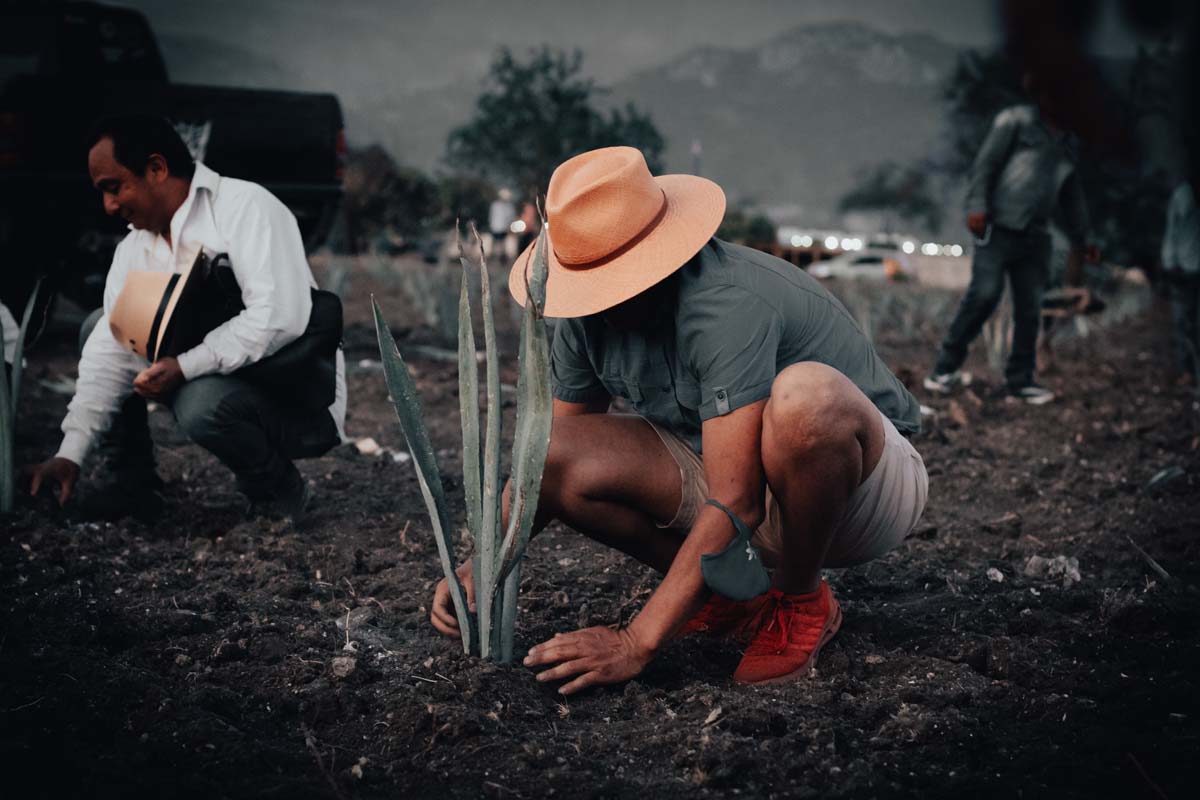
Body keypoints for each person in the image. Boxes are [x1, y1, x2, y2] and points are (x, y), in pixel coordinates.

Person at [430, 147, 928, 691]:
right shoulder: (582, 316)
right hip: (729, 479)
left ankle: (800, 599)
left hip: (860, 490)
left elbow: (737, 498)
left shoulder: (725, 301)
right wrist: (480, 568)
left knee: (803, 401)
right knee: (553, 448)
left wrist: (636, 641)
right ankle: (737, 596)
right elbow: (546, 461)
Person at [23, 114, 346, 518]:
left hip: (299, 400)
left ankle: (278, 491)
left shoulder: (245, 207)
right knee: (100, 326)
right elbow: (114, 346)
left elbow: (279, 317)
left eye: (114, 187)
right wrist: (70, 453)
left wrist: (185, 366)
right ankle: (131, 485)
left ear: (157, 169)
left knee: (200, 402)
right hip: (220, 383)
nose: (107, 206)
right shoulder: (135, 248)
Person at [926, 75, 1100, 405]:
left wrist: (1083, 238)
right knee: (985, 295)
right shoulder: (1016, 121)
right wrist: (977, 206)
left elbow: (1072, 195)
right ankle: (943, 370)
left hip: (1037, 236)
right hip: (999, 226)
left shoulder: (1068, 141)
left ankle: (1020, 380)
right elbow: (985, 166)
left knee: (1030, 308)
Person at [1161, 177, 1200, 383]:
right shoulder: (1183, 194)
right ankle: (1187, 369)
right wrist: (1169, 263)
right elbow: (1171, 230)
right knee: (1184, 321)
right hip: (1184, 268)